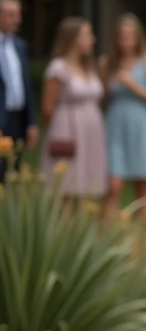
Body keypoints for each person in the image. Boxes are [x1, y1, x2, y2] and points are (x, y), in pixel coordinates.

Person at [99, 14, 146, 217]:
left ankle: (142, 240)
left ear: (139, 38)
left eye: (131, 36)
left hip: (143, 124)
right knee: (113, 184)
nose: (126, 42)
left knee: (143, 185)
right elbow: (102, 99)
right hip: (115, 124)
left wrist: (134, 86)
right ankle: (103, 240)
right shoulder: (107, 63)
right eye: (122, 37)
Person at [41, 18, 107, 202]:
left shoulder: (89, 67)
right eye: (87, 35)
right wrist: (59, 131)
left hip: (91, 131)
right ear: (73, 38)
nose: (92, 40)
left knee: (85, 185)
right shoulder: (58, 68)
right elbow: (47, 108)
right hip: (67, 130)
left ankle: (80, 228)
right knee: (66, 183)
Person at [0, 0, 38, 179]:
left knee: (12, 174)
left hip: (17, 120)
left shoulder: (20, 45)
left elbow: (26, 86)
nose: (17, 19)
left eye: (18, 14)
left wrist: (31, 122)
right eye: (11, 14)